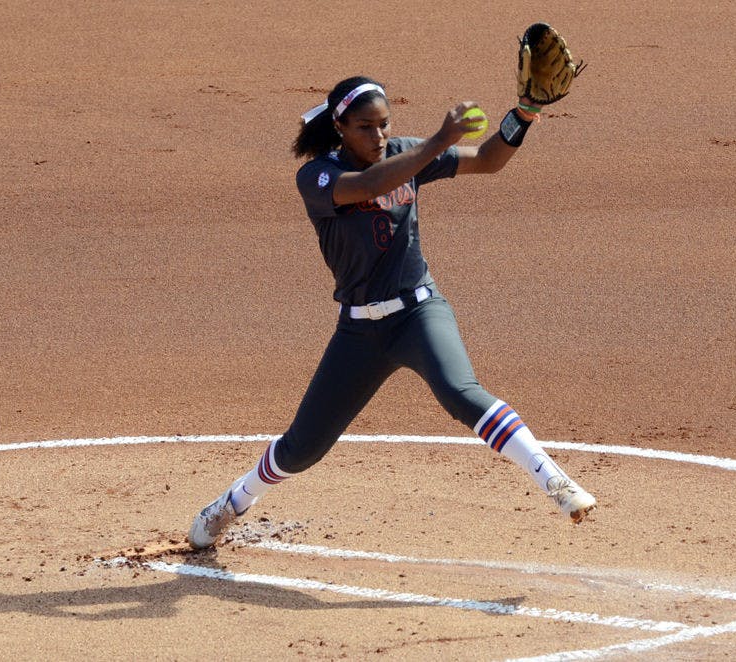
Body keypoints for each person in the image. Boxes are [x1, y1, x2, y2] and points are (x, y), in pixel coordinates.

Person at [188, 75, 596, 549]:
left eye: (385, 125)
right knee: (303, 448)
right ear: (340, 126)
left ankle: (556, 481)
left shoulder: (406, 153)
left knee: (460, 392)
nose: (379, 137)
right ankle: (229, 504)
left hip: (418, 315)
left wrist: (523, 113)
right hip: (359, 333)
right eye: (365, 127)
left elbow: (488, 160)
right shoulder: (318, 177)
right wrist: (441, 138)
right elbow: (368, 184)